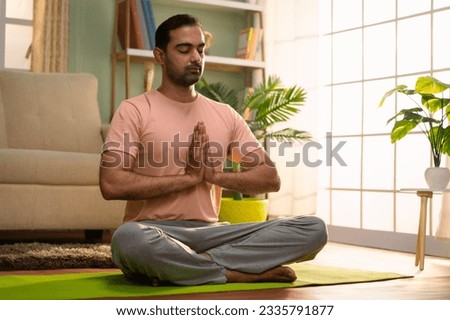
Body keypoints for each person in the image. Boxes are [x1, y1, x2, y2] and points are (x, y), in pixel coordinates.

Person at [100, 14, 327, 286]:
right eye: (184, 50)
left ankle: (189, 266)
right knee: (128, 240)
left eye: (200, 49)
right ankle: (232, 271)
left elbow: (269, 178)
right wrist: (186, 179)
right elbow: (111, 184)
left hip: (212, 233)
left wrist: (214, 176)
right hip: (153, 230)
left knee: (312, 229)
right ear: (159, 56)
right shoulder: (135, 110)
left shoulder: (225, 114)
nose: (196, 57)